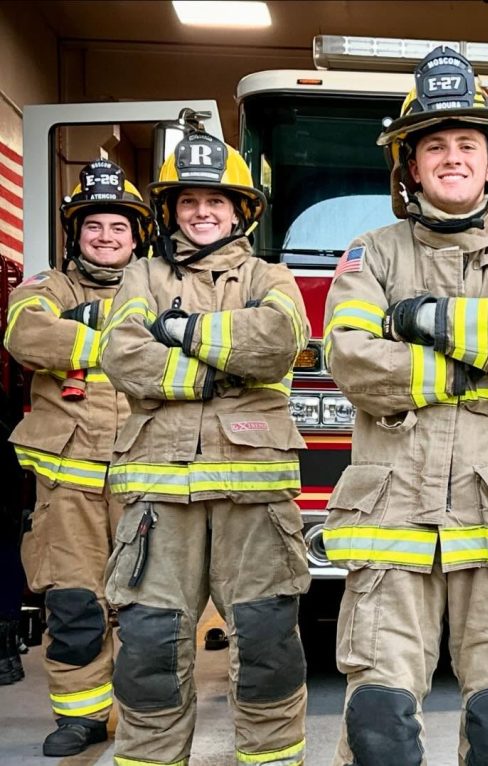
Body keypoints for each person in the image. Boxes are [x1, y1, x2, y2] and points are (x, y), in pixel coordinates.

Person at [322, 46, 488, 765]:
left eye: (468, 143)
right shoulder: (368, 254)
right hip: (390, 522)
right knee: (379, 731)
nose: (453, 157)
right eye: (435, 144)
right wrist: (472, 372)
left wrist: (422, 319)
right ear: (409, 166)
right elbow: (352, 360)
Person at [100, 131, 311, 766]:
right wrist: (213, 372)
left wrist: (182, 332)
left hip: (254, 491)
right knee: (149, 648)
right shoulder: (141, 274)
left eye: (216, 201)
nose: (202, 213)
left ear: (240, 210)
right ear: (171, 211)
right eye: (189, 201)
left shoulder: (270, 277)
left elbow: (276, 340)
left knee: (270, 642)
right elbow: (122, 353)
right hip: (159, 494)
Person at [3, 160, 152, 755]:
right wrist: (123, 346)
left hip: (146, 474)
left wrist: (86, 341)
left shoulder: (158, 285)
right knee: (74, 606)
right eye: (95, 226)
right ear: (76, 234)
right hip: (68, 487)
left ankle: (145, 715)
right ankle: (80, 717)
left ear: (138, 235)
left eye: (119, 227)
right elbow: (28, 337)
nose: (107, 237)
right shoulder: (45, 288)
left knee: (148, 610)